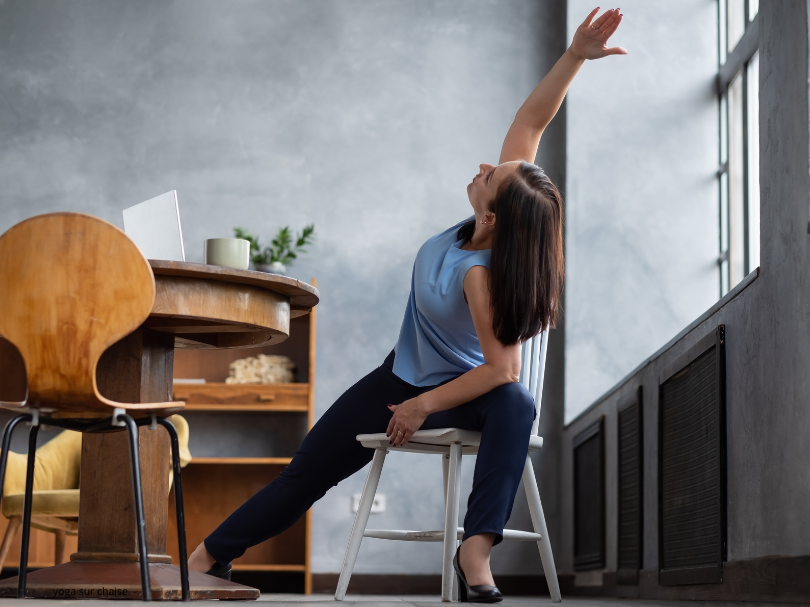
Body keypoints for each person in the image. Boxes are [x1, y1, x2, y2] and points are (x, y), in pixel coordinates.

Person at [188, 7, 626, 602]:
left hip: (462, 394)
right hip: (399, 375)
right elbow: (532, 118)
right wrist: (575, 56)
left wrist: (422, 406)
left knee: (515, 402)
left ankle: (475, 552)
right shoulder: (488, 221)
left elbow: (502, 369)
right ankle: (211, 555)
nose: (484, 167)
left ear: (491, 217)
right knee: (306, 471)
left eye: (491, 176)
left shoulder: (482, 276)